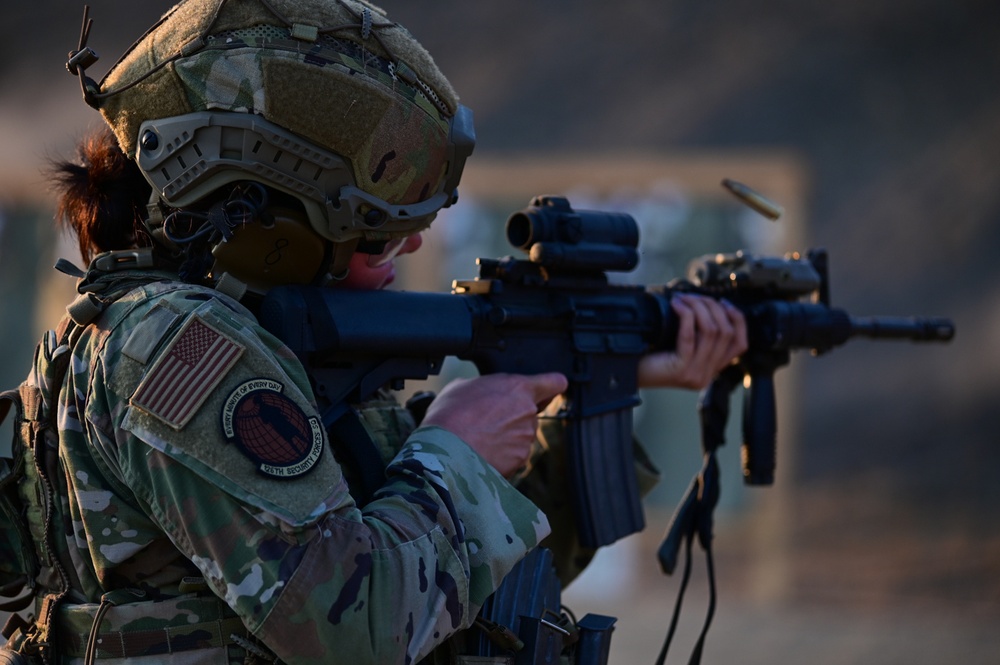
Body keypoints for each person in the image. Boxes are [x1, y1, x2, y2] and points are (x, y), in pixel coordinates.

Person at [0, 1, 746, 663]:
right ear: (275, 233)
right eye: (378, 236)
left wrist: (600, 391)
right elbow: (353, 631)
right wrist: (456, 452)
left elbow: (450, 589)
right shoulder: (180, 347)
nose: (412, 249)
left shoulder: (262, 353)